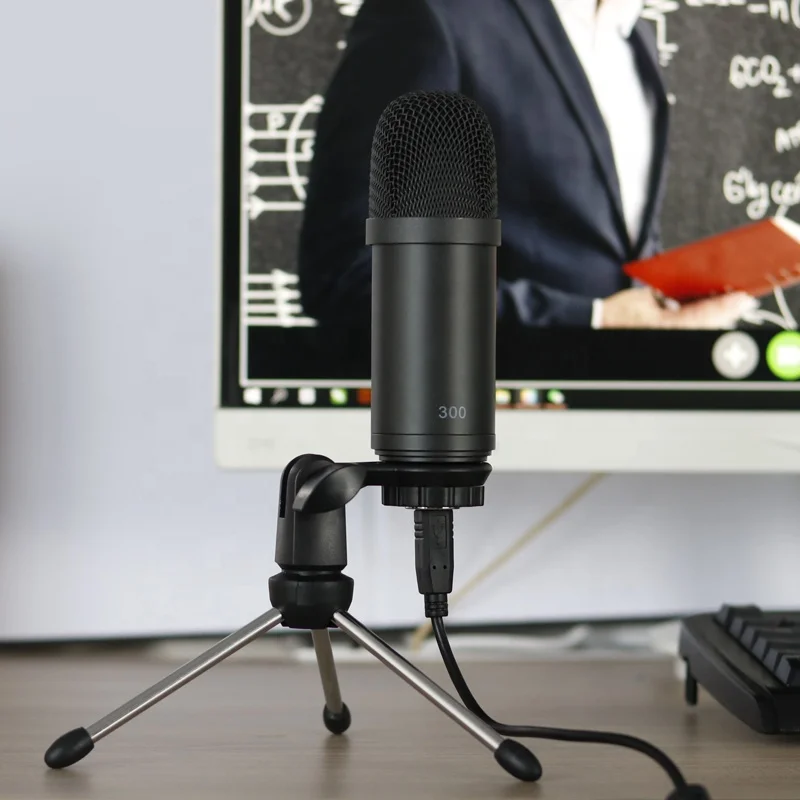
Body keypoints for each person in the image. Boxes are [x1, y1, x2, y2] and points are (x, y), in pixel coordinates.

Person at [297, 0, 756, 336]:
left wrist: (664, 306)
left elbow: (600, 258)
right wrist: (595, 319)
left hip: (626, 412)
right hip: (489, 414)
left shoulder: (634, 38)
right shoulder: (433, 16)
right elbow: (348, 275)